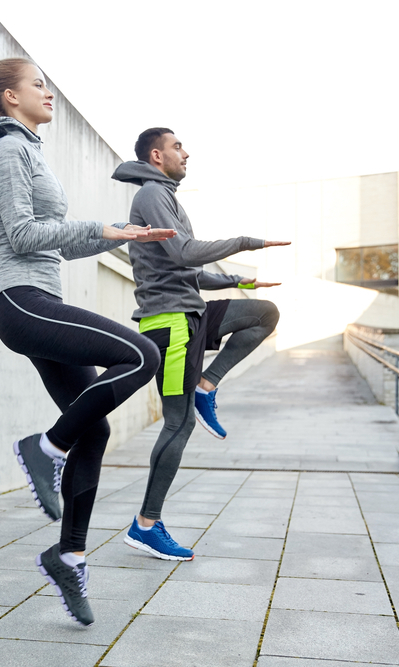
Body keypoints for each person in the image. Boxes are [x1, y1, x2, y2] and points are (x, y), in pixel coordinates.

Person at [0, 59, 174, 625]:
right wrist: (103, 228)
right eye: (38, 85)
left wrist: (120, 236)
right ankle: (44, 449)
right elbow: (22, 236)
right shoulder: (7, 150)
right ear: (10, 97)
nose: (48, 94)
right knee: (142, 354)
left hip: (41, 295)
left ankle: (68, 557)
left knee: (95, 429)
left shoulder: (28, 150)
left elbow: (58, 245)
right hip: (22, 301)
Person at [111, 128, 289, 560]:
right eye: (177, 147)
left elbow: (187, 271)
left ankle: (207, 386)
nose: (186, 153)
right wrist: (245, 243)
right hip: (170, 324)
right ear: (157, 156)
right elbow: (186, 253)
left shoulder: (164, 195)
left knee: (264, 314)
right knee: (178, 424)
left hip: (189, 314)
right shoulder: (152, 193)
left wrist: (239, 280)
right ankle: (145, 526)